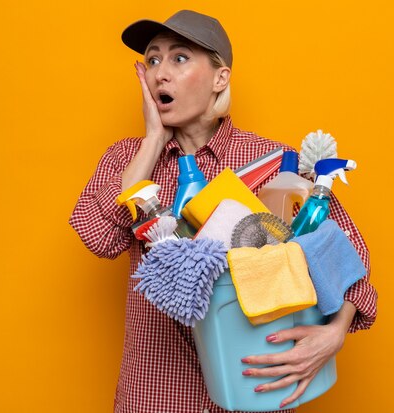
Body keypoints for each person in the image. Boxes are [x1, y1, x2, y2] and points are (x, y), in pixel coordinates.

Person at [69, 10, 377, 413]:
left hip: (254, 391)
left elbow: (347, 257)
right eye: (153, 59)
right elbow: (98, 236)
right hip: (155, 393)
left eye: (180, 58)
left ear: (220, 78)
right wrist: (151, 142)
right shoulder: (128, 159)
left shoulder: (272, 161)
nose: (160, 73)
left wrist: (334, 333)